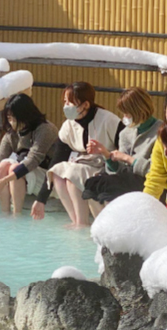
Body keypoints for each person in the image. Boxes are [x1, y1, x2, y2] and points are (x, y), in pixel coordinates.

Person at [31, 82, 122, 227]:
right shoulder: (68, 126)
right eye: (65, 102)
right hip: (83, 165)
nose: (66, 106)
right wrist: (41, 199)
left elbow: (124, 148)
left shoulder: (108, 120)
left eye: (70, 102)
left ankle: (82, 223)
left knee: (72, 174)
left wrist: (106, 153)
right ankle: (76, 221)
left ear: (85, 105)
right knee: (57, 172)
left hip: (105, 167)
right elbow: (56, 160)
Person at [0, 93, 58, 215]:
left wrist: (6, 179)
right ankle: (5, 213)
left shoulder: (45, 129)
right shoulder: (11, 135)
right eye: (8, 117)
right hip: (28, 177)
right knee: (2, 165)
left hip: (48, 179)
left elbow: (33, 159)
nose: (10, 121)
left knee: (14, 168)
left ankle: (17, 216)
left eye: (13, 117)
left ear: (25, 115)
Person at [83, 87, 162, 217]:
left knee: (108, 186)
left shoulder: (160, 131)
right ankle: (102, 227)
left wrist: (128, 158)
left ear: (138, 111)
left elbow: (154, 171)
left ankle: (112, 227)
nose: (125, 118)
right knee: (94, 184)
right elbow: (120, 170)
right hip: (129, 179)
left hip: (149, 183)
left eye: (127, 114)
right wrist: (107, 155)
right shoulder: (126, 133)